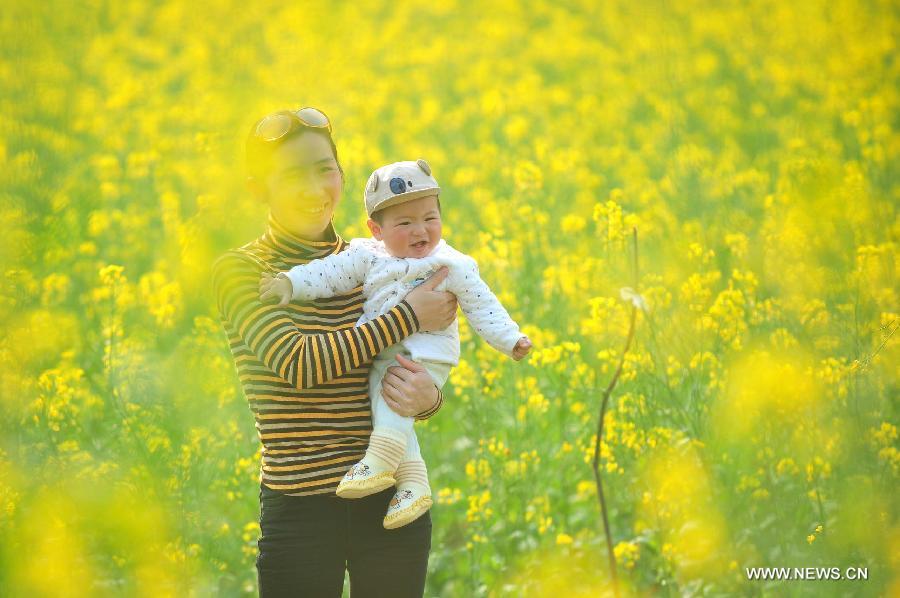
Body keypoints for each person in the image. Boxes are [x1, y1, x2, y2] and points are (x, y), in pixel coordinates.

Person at [211, 107, 458, 597]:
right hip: (301, 511)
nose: (314, 188)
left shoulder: (374, 260)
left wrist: (427, 398)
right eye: (292, 175)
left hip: (391, 502)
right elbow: (299, 364)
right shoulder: (243, 271)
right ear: (258, 189)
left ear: (343, 176)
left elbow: (413, 357)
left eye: (325, 169)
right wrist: (409, 314)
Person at [259, 159, 532, 530]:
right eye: (405, 223)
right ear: (377, 229)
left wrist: (510, 338)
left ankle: (380, 461)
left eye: (429, 218)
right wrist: (290, 285)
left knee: (391, 391)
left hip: (426, 354)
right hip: (384, 358)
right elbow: (327, 274)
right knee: (384, 392)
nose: (420, 231)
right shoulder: (366, 256)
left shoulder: (452, 263)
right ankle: (414, 483)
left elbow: (483, 305)